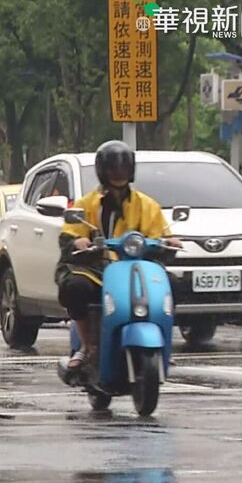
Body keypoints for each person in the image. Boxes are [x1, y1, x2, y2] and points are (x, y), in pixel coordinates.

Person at [56, 140, 182, 378]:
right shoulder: (87, 204)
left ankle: (165, 341)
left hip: (137, 268)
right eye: (113, 169)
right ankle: (86, 345)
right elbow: (70, 234)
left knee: (173, 284)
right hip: (97, 269)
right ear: (103, 171)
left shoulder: (147, 205)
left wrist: (169, 242)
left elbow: (161, 234)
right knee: (75, 287)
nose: (119, 174)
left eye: (123, 169)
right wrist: (78, 242)